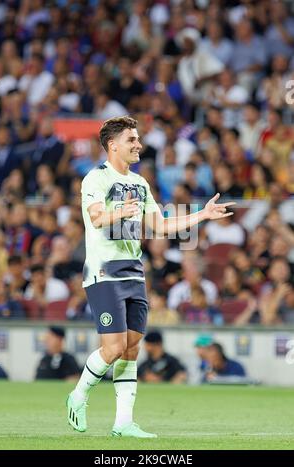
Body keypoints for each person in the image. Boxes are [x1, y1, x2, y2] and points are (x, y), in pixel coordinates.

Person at [66, 116, 235, 438]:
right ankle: (78, 395)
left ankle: (123, 423)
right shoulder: (95, 179)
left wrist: (202, 215)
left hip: (133, 272)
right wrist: (119, 212)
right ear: (113, 145)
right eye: (132, 140)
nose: (139, 145)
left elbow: (160, 226)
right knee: (114, 347)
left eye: (138, 139)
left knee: (131, 349)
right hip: (104, 271)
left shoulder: (141, 183)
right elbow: (97, 217)